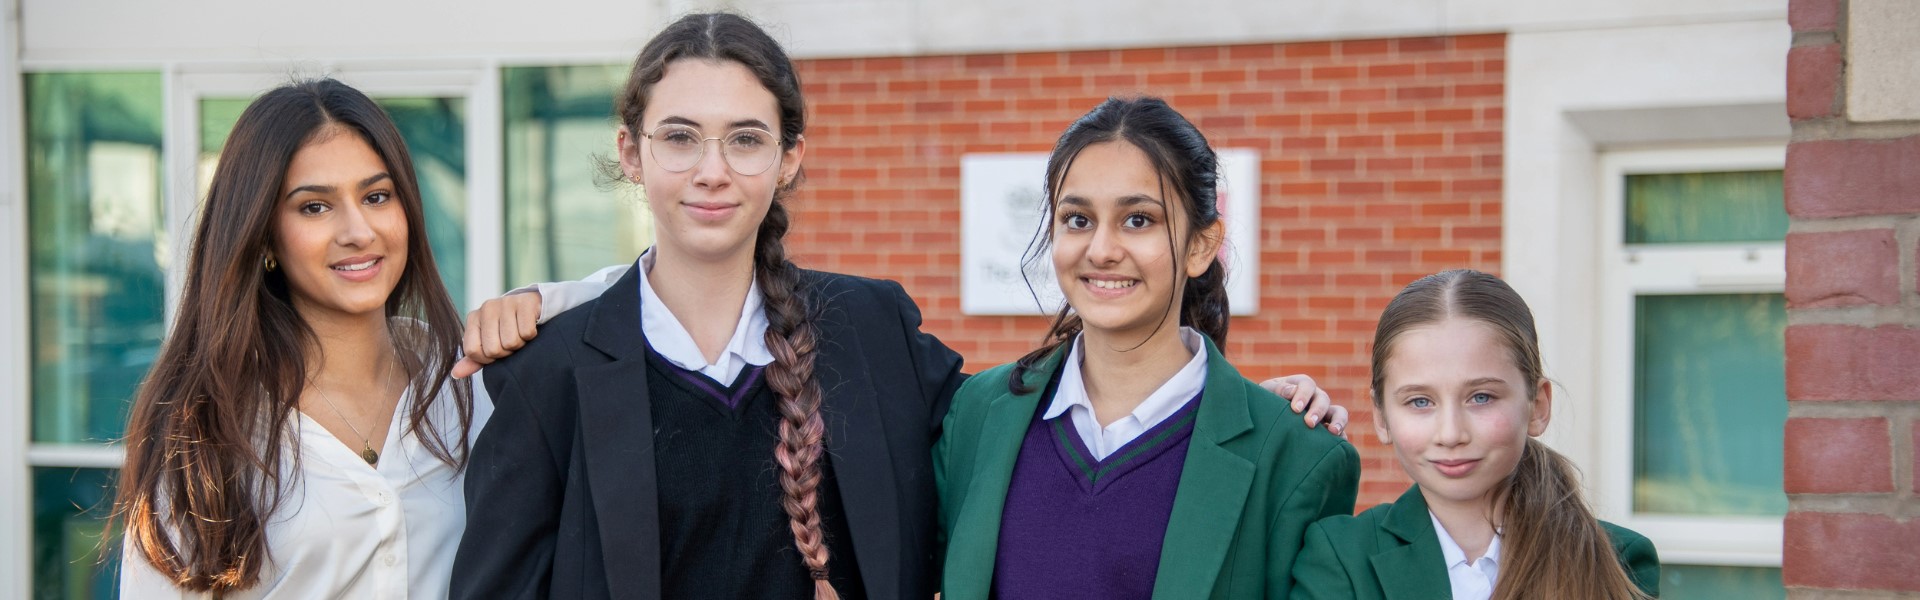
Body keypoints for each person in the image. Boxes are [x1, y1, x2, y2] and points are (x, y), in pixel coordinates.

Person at [449, 14, 1349, 600]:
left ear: (790, 158)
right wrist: (554, 299)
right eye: (679, 137)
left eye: (746, 139)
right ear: (630, 152)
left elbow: (1071, 414)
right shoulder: (547, 377)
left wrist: (1244, 408)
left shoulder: (871, 337)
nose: (712, 170)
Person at [934, 96, 1360, 599]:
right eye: (1078, 219)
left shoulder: (1295, 456)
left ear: (1201, 245)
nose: (1101, 250)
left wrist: (1267, 420)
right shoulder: (976, 415)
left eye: (1138, 219)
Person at [112, 78, 477, 598]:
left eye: (376, 196)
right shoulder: (205, 430)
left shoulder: (467, 388)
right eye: (315, 207)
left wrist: (542, 300)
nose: (358, 231)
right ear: (263, 235)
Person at [1289, 269, 1659, 600]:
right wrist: (1270, 419)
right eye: (1420, 401)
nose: (1451, 434)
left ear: (1537, 405)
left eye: (1481, 397)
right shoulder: (1340, 557)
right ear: (1382, 417)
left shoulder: (1618, 558)